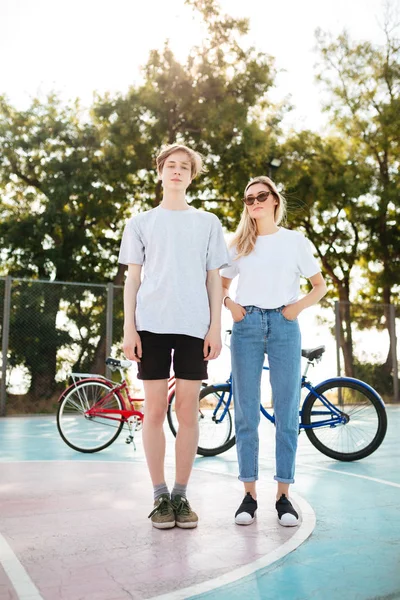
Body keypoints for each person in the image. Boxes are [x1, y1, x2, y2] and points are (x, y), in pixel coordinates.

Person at [119, 144, 229, 530]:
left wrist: (215, 326)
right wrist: (129, 327)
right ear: (160, 172)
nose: (177, 171)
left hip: (193, 327)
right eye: (171, 165)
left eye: (185, 167)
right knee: (152, 412)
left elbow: (214, 279)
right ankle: (159, 496)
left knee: (187, 413)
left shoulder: (208, 222)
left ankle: (181, 495)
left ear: (191, 176)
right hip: (150, 326)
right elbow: (132, 279)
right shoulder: (141, 222)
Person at [220, 175, 327, 527]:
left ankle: (283, 496)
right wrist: (230, 305)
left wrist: (295, 310)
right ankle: (249, 496)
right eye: (249, 199)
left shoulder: (294, 241)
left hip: (284, 326)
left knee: (286, 413)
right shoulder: (238, 244)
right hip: (246, 326)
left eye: (261, 196)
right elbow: (218, 283)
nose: (255, 203)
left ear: (275, 200)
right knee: (247, 413)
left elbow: (319, 286)